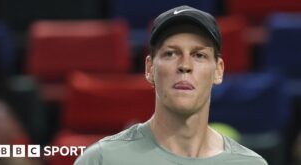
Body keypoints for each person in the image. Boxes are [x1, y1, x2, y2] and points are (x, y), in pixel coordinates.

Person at [74, 5, 268, 165]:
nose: (184, 65)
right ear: (149, 68)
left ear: (218, 70)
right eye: (171, 54)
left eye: (199, 55)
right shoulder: (101, 160)